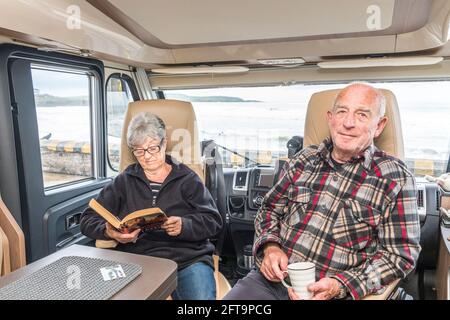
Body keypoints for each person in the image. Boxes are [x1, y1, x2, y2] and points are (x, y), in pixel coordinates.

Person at [224, 83, 421, 300]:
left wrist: (341, 285)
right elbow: (269, 210)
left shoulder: (396, 178)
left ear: (379, 125)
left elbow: (399, 257)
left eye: (362, 115)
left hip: (337, 293)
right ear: (330, 117)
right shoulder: (303, 160)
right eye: (342, 112)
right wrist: (271, 247)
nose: (348, 123)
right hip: (272, 283)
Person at [80, 112, 223, 300]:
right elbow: (87, 219)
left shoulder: (188, 179)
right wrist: (109, 232)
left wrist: (184, 225)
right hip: (137, 258)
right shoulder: (124, 180)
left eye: (152, 148)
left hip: (186, 259)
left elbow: (213, 221)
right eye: (139, 151)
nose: (146, 157)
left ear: (164, 144)